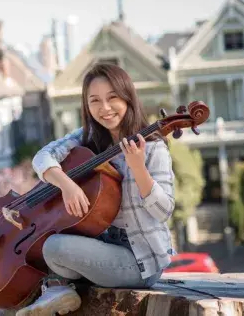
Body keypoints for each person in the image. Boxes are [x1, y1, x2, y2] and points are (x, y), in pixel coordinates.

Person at [14, 63, 176, 316]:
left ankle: (59, 287)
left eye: (113, 98)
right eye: (95, 101)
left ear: (128, 99)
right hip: (100, 245)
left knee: (54, 247)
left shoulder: (153, 147)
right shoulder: (88, 138)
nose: (105, 108)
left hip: (140, 260)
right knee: (46, 243)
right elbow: (42, 157)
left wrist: (138, 168)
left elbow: (164, 211)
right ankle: (61, 290)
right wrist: (66, 184)